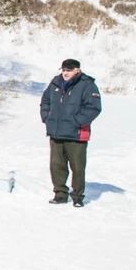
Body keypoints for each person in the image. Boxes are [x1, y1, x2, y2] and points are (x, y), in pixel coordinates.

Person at [39, 59, 102, 207]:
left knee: (77, 167)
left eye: (69, 70)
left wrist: (77, 122)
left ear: (77, 70)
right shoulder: (55, 83)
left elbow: (93, 108)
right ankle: (60, 194)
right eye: (64, 70)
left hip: (76, 134)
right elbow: (45, 101)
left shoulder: (87, 84)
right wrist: (47, 118)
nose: (66, 73)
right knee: (56, 165)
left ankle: (78, 196)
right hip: (56, 132)